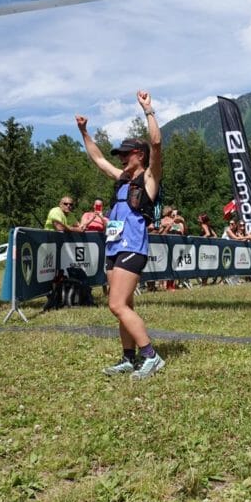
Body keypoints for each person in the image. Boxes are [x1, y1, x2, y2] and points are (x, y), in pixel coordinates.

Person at [76, 89, 165, 380]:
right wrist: (84, 132)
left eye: (125, 154)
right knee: (124, 305)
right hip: (114, 246)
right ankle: (128, 358)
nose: (121, 158)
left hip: (133, 246)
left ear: (139, 155)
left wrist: (148, 110)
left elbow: (156, 142)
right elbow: (99, 160)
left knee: (115, 304)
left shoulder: (149, 177)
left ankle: (151, 356)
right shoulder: (122, 180)